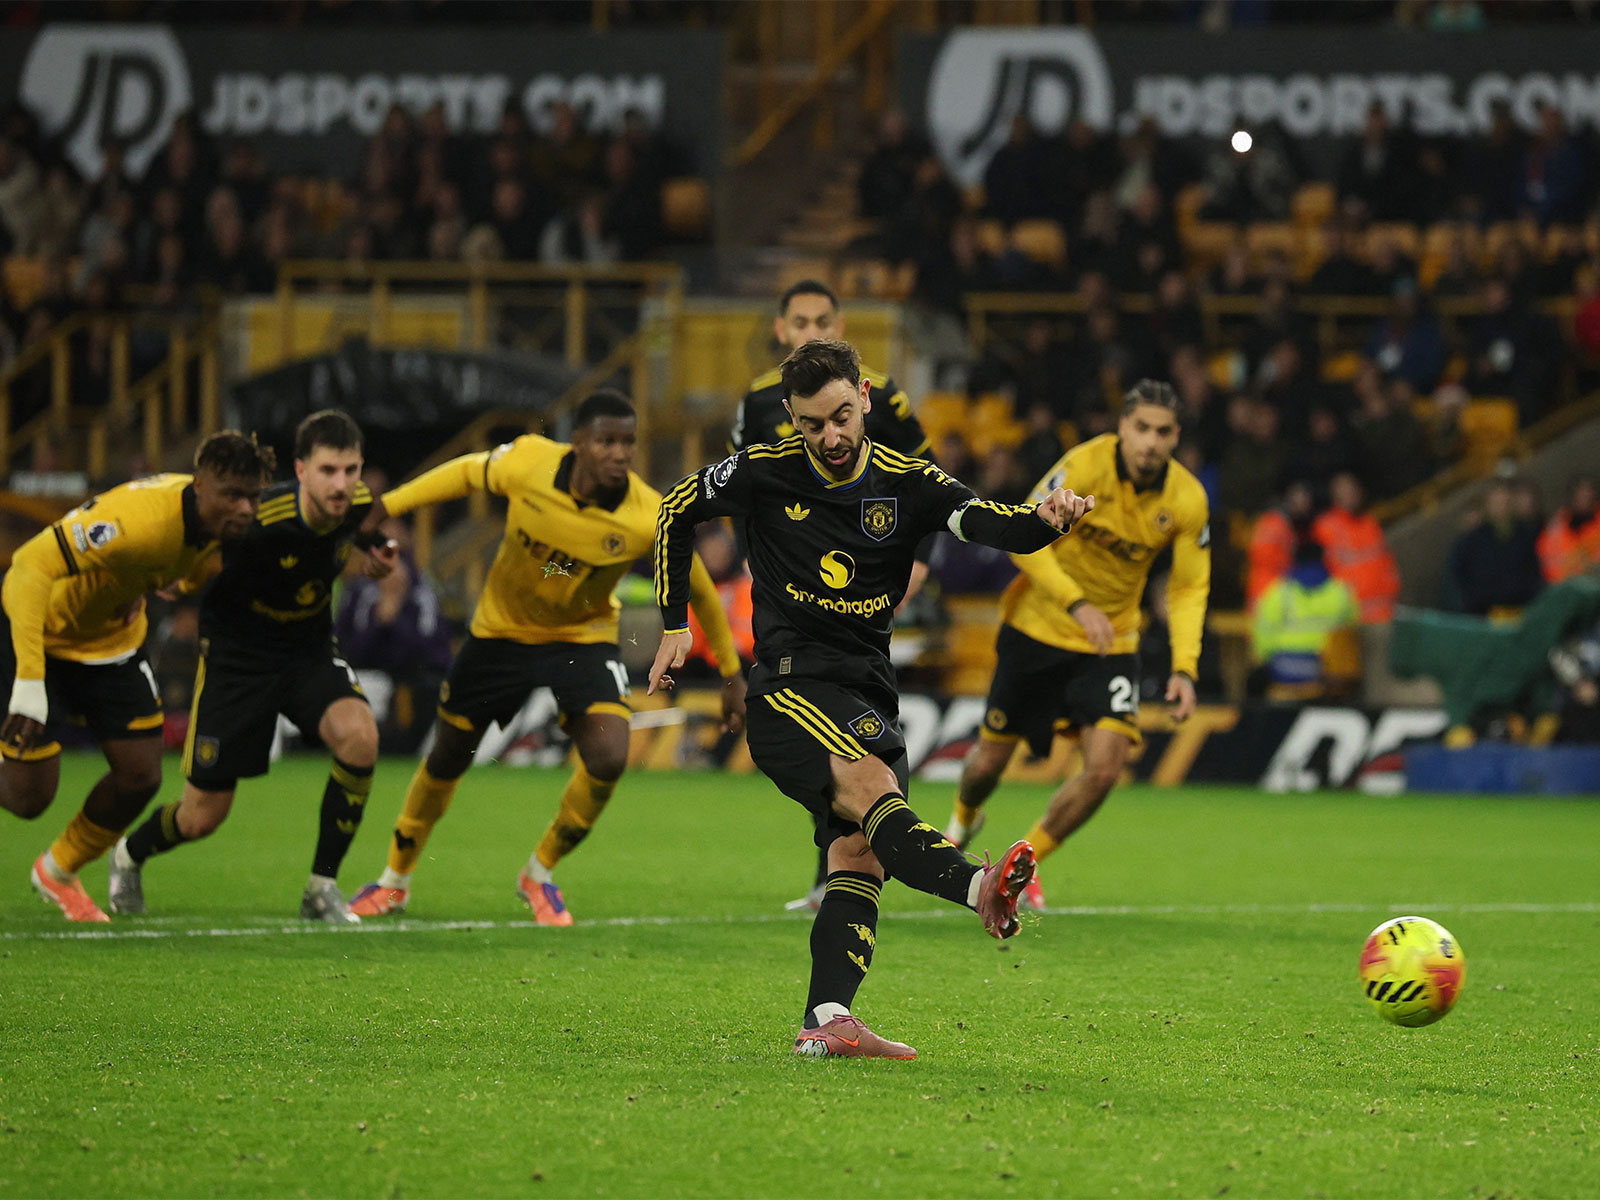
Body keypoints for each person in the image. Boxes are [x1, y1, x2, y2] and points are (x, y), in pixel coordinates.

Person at [650, 339, 1093, 1059]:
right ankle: (980, 886)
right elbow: (674, 508)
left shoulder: (906, 481)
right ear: (791, 419)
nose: (829, 436)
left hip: (867, 689)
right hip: (789, 685)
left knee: (859, 857)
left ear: (864, 396)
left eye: (842, 416)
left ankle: (827, 1018)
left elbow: (989, 522)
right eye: (810, 423)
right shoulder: (765, 470)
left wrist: (1046, 520)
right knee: (871, 787)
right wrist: (676, 623)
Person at [348, 390, 745, 925]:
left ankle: (540, 872)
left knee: (608, 756)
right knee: (447, 755)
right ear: (577, 442)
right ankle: (394, 879)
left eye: (628, 443)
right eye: (606, 441)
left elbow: (697, 587)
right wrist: (388, 506)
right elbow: (466, 473)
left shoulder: (647, 516)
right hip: (499, 634)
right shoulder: (529, 461)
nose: (619, 453)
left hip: (581, 639)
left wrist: (730, 673)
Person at [109, 411, 398, 923]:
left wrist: (377, 555)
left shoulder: (356, 506)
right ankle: (129, 855)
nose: (343, 484)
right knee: (201, 818)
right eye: (329, 470)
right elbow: (190, 550)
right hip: (237, 661)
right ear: (300, 469)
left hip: (307, 652)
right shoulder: (256, 516)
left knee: (361, 737)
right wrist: (165, 584)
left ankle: (321, 887)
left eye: (351, 470)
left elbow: (363, 536)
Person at [944, 380, 1211, 909]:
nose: (1150, 443)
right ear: (1122, 429)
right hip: (1037, 630)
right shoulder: (1084, 467)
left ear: (1176, 436)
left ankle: (1027, 860)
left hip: (1112, 642)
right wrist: (1076, 603)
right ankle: (962, 822)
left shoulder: (1187, 499)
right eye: (1141, 429)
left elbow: (1187, 588)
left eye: (1162, 432)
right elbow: (1024, 536)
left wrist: (1185, 668)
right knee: (985, 768)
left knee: (1106, 767)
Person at [3, 433, 272, 922]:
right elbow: (27, 566)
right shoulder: (138, 523)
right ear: (199, 485)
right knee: (29, 797)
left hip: (110, 644)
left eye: (253, 497)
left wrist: (177, 580)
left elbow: (187, 564)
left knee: (141, 773)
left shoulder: (220, 525)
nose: (247, 508)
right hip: (41, 631)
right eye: (233, 495)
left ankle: (58, 869)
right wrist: (27, 681)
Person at [732, 279, 937, 912]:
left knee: (856, 730)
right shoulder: (760, 400)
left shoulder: (887, 397)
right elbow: (742, 491)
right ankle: (844, 868)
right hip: (789, 591)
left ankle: (856, 862)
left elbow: (928, 481)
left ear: (842, 324)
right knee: (821, 739)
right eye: (800, 320)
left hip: (861, 588)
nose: (811, 329)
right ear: (779, 327)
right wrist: (753, 563)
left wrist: (919, 566)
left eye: (823, 319)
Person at [1251, 530, 1361, 695]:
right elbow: (1352, 629)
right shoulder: (1340, 592)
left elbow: (1263, 632)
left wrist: (1266, 659)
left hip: (1285, 665)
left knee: (1253, 683)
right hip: (1325, 669)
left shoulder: (1280, 592)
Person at [1312, 472, 1401, 625]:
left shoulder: (1370, 524)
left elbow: (1386, 561)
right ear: (1334, 496)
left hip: (1383, 613)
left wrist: (1393, 588)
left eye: (1353, 491)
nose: (1350, 496)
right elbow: (1319, 571)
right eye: (1344, 492)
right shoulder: (1325, 528)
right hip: (1346, 619)